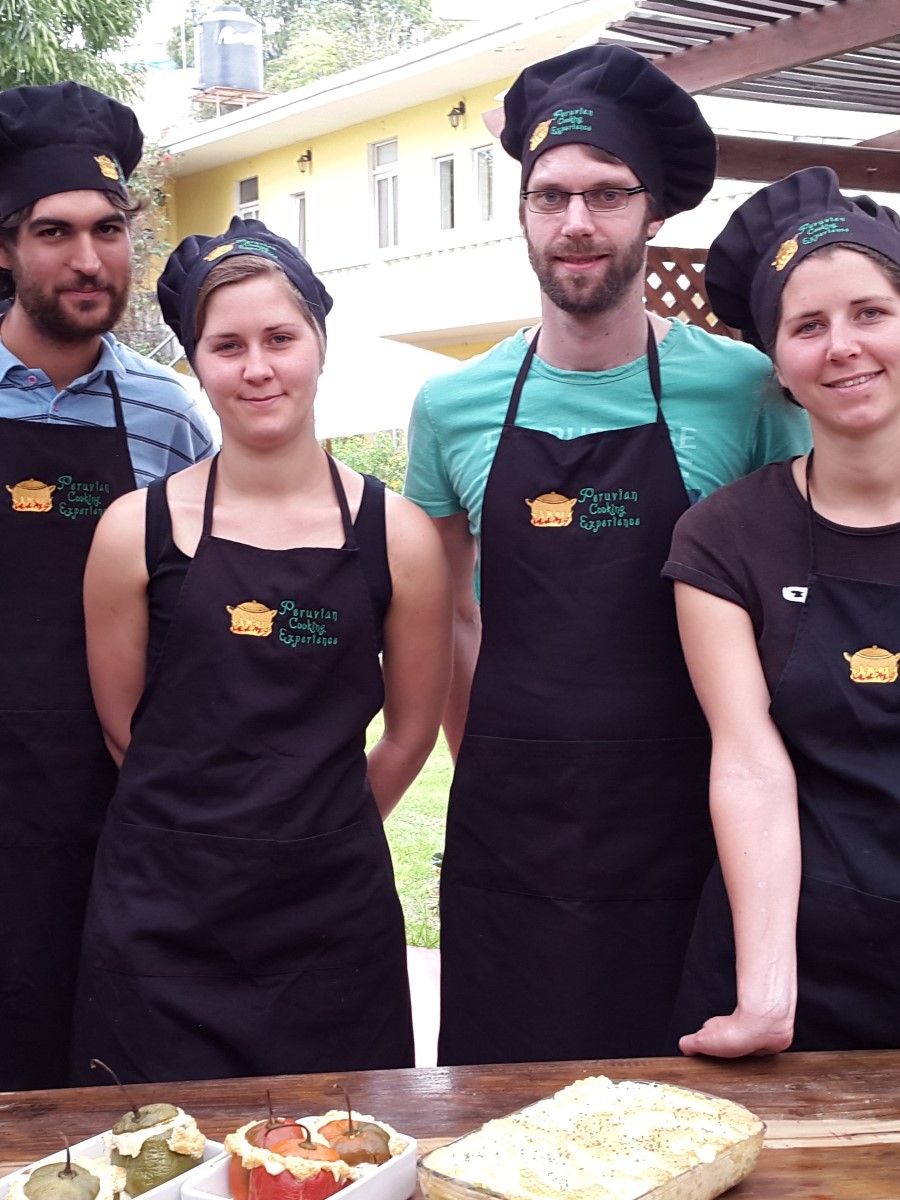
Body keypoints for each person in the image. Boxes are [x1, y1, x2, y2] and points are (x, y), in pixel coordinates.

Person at [404, 44, 811, 1066]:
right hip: (512, 832)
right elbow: (451, 612)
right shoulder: (451, 406)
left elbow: (791, 608)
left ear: (653, 214)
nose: (577, 222)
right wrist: (498, 769)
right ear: (525, 215)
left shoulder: (748, 391)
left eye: (607, 194)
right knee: (502, 1112)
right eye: (552, 197)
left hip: (688, 825)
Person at [69, 217, 452, 1084]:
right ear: (196, 364)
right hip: (161, 915)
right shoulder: (135, 531)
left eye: (280, 337)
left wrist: (315, 831)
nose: (257, 369)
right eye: (226, 345)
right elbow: (126, 732)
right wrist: (218, 839)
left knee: (340, 1157)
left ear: (319, 342)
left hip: (331, 920)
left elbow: (409, 734)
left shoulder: (400, 538)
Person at [0, 81, 213, 1091]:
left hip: (113, 829)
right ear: (5, 249)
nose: (87, 259)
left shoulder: (169, 418)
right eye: (53, 231)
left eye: (107, 228)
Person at [664, 167, 900, 1056]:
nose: (842, 346)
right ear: (780, 364)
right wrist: (768, 997)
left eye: (869, 312)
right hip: (798, 961)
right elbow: (751, 761)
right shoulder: (726, 538)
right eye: (808, 326)